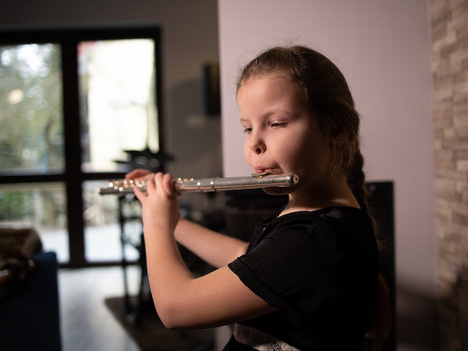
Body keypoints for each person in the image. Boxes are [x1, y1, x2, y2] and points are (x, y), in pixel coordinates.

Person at [127, 45, 391, 350]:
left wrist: (155, 224)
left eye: (276, 123)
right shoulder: (311, 216)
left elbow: (175, 308)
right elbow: (252, 258)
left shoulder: (314, 237)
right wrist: (173, 221)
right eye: (247, 128)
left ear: (335, 129)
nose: (254, 143)